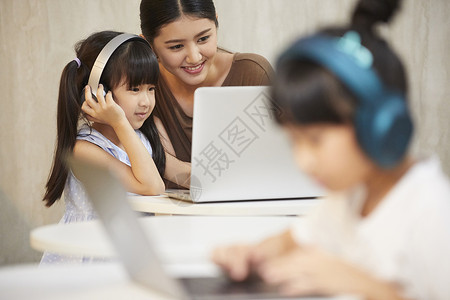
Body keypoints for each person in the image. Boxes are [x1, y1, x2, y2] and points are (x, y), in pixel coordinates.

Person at [212, 0, 450, 299]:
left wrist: (363, 285)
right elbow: (293, 239)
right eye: (294, 142)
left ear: (379, 126)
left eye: (315, 140)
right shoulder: (350, 195)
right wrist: (251, 255)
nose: (303, 162)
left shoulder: (431, 211)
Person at [140, 0, 274, 187]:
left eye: (203, 39)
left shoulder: (253, 74)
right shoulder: (141, 87)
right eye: (176, 46)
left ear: (216, 24)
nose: (194, 57)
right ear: (149, 45)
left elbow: (281, 164)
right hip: (166, 215)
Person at [43, 31, 166, 225]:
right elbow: (153, 186)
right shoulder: (83, 151)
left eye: (151, 89)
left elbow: (176, 174)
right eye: (134, 89)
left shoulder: (140, 138)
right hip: (94, 248)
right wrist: (119, 122)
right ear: (97, 93)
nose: (146, 101)